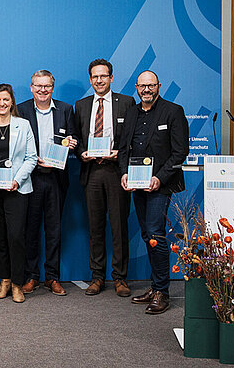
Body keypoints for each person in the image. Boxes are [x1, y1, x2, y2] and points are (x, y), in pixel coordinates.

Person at [118, 70, 189, 315]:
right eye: (142, 86)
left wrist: (160, 178)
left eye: (151, 85)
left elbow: (180, 153)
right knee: (148, 232)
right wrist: (124, 173)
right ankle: (155, 286)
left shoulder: (173, 111)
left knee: (156, 233)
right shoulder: (131, 113)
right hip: (137, 184)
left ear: (158, 86)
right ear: (136, 88)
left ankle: (162, 292)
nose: (146, 90)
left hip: (161, 184)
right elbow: (123, 148)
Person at [72, 59, 135, 297]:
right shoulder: (82, 105)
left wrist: (122, 153)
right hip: (92, 172)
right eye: (95, 77)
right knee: (95, 227)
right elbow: (75, 137)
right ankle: (97, 277)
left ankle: (120, 278)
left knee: (119, 227)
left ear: (111, 78)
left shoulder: (127, 103)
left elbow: (131, 136)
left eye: (103, 76)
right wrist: (80, 153)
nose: (99, 80)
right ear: (91, 80)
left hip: (116, 172)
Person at [17, 70, 76, 296]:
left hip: (56, 178)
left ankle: (53, 277)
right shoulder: (21, 110)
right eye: (38, 86)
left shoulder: (66, 110)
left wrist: (73, 143)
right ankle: (31, 276)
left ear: (53, 87)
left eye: (47, 86)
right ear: (31, 87)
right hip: (30, 177)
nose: (43, 90)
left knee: (54, 229)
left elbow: (75, 140)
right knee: (30, 229)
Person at [0, 84, 37, 303]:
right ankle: (4, 280)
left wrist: (16, 180)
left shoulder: (24, 125)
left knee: (16, 237)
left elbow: (31, 158)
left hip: (17, 189)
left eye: (6, 99)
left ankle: (18, 284)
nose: (2, 104)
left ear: (12, 102)